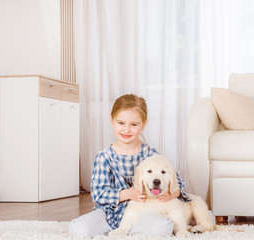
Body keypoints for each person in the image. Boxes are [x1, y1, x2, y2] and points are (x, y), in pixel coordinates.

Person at [69, 94, 191, 237]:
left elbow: (176, 180)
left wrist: (173, 193)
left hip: (143, 213)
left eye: (134, 124)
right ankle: (121, 229)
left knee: (162, 227)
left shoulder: (150, 154)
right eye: (121, 123)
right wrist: (127, 194)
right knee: (78, 228)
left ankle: (135, 229)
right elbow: (98, 194)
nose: (126, 130)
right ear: (112, 120)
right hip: (109, 214)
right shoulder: (104, 157)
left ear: (144, 124)